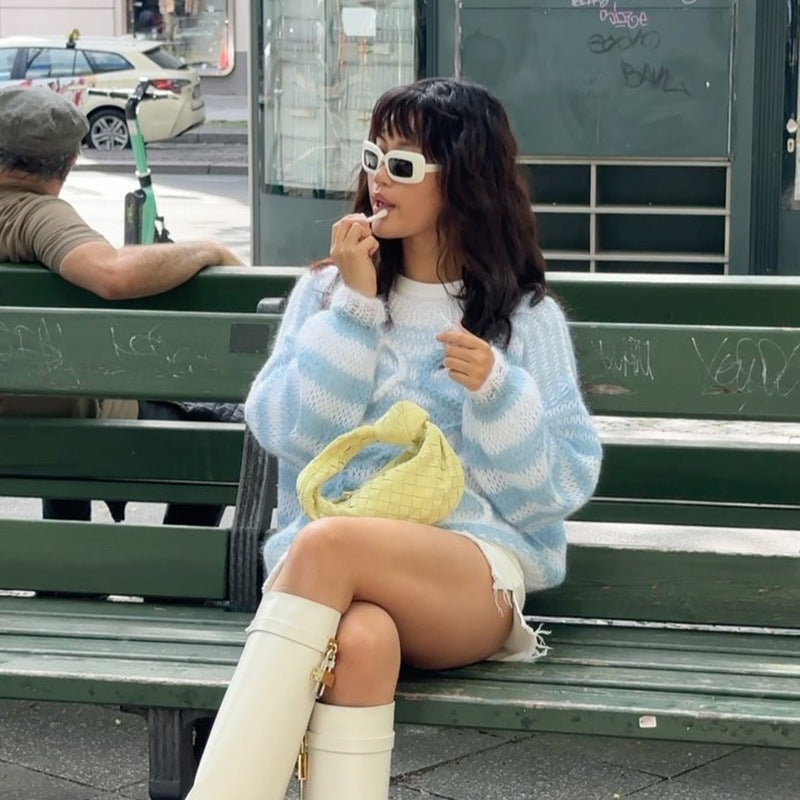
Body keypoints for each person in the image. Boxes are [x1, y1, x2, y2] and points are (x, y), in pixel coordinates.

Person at [185, 77, 603, 800]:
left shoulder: (524, 320)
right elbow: (285, 432)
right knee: (364, 642)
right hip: (330, 585)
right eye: (374, 155)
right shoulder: (326, 294)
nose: (377, 177)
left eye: (402, 165)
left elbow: (556, 491)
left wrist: (498, 394)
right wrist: (353, 310)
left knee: (326, 540)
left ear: (466, 182)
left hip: (470, 583)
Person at [0, 84, 244, 524]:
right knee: (225, 434)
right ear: (68, 164)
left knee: (58, 406)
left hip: (25, 428)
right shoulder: (32, 213)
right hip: (72, 429)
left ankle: (70, 573)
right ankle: (178, 585)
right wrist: (208, 250)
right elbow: (112, 273)